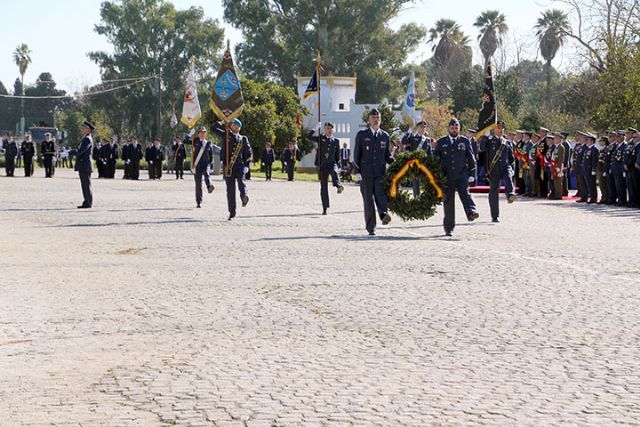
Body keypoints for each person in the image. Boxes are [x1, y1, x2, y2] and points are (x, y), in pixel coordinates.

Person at [434, 118, 478, 236]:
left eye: (456, 128)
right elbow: (435, 159)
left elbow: (471, 159)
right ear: (448, 128)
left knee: (465, 193)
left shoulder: (465, 141)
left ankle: (471, 212)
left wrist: (472, 175)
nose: (454, 130)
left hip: (461, 175)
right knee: (448, 202)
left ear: (459, 129)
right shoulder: (442, 141)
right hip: (446, 176)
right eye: (452, 128)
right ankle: (449, 228)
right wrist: (435, 175)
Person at [353, 108, 394, 236]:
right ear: (369, 120)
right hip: (365, 174)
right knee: (368, 200)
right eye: (373, 118)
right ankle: (371, 228)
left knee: (380, 195)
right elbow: (356, 154)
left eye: (378, 118)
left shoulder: (385, 136)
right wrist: (357, 171)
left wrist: (397, 162)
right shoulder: (362, 135)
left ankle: (383, 214)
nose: (376, 120)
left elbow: (387, 156)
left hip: (380, 173)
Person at [479, 120, 516, 222]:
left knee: (508, 176)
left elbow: (511, 158)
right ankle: (494, 215)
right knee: (494, 191)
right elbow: (481, 149)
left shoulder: (508, 142)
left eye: (502, 128)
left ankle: (510, 194)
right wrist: (484, 136)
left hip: (505, 167)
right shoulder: (489, 141)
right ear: (494, 129)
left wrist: (512, 169)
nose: (500, 130)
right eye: (498, 128)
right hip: (493, 169)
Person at [216, 119, 252, 220]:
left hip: (240, 166)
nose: (235, 127)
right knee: (230, 190)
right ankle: (232, 213)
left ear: (239, 128)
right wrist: (222, 121)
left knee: (241, 181)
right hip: (229, 167)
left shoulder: (243, 139)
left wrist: (247, 166)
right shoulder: (226, 135)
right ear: (231, 126)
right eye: (234, 125)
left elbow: (249, 154)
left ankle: (244, 196)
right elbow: (213, 128)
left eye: (237, 125)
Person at [308, 121, 344, 215]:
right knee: (323, 187)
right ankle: (325, 207)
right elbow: (308, 137)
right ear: (324, 130)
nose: (329, 130)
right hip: (322, 165)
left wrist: (339, 165)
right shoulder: (320, 138)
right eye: (327, 129)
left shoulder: (336, 141)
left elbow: (337, 155)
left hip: (332, 163)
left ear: (333, 130)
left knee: (335, 171)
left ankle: (338, 185)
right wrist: (314, 129)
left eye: (330, 129)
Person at [402, 120, 432, 197]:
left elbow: (430, 153)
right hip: (415, 165)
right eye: (421, 127)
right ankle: (417, 200)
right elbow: (404, 141)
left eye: (424, 127)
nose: (423, 129)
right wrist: (409, 130)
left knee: (428, 183)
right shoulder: (413, 138)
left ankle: (427, 201)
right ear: (418, 128)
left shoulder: (427, 140)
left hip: (424, 165)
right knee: (416, 185)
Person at [191, 126, 215, 208]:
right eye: (201, 132)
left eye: (204, 132)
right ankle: (198, 201)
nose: (202, 134)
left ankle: (209, 186)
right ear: (198, 134)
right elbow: (185, 141)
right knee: (198, 184)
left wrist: (211, 166)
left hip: (206, 163)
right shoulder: (195, 141)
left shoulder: (208, 143)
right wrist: (190, 134)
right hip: (197, 165)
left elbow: (211, 156)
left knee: (207, 174)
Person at [75, 120, 95, 208]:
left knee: (86, 184)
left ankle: (88, 202)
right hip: (83, 164)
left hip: (85, 164)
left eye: (83, 128)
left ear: (88, 129)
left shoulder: (87, 139)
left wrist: (69, 152)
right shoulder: (85, 138)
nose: (82, 129)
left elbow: (81, 151)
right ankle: (86, 201)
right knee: (85, 184)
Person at [580, 133, 599, 204]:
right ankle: (591, 197)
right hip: (586, 169)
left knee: (592, 184)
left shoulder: (594, 149)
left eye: (588, 140)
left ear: (592, 141)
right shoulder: (588, 149)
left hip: (590, 169)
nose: (587, 141)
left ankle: (594, 198)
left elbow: (594, 160)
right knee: (588, 184)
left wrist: (594, 169)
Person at [611, 130, 628, 206]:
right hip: (616, 169)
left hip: (620, 170)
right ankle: (620, 200)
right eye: (616, 136)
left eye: (618, 136)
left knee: (621, 186)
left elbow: (624, 159)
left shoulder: (624, 146)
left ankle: (623, 200)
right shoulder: (617, 146)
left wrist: (623, 170)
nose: (616, 138)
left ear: (622, 137)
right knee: (617, 186)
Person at [624, 128, 639, 208]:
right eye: (633, 137)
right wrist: (625, 164)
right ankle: (631, 201)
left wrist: (628, 165)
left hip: (634, 168)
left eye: (635, 137)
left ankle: (635, 202)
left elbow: (634, 158)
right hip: (629, 168)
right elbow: (627, 156)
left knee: (635, 186)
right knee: (630, 186)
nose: (634, 139)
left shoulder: (638, 146)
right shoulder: (631, 145)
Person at [597, 136, 610, 204]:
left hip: (603, 169)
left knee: (604, 185)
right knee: (601, 185)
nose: (600, 142)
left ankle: (606, 197)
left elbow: (606, 160)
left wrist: (605, 170)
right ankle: (603, 197)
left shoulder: (606, 149)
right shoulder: (601, 149)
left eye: (601, 141)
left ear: (605, 141)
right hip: (599, 168)